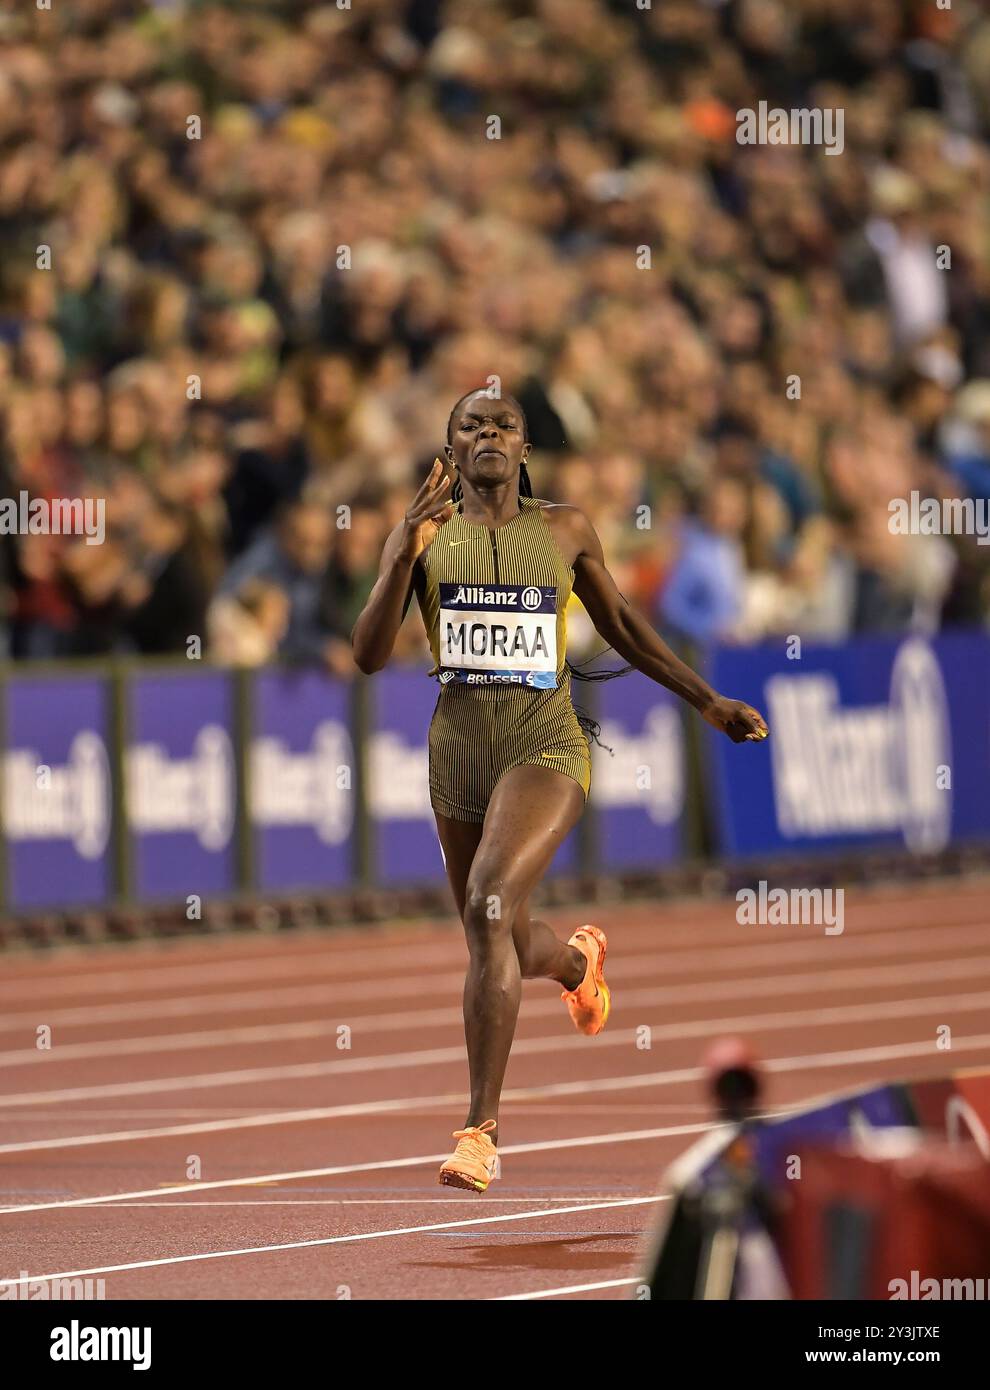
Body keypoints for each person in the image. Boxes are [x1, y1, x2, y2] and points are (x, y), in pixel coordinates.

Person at [351, 389, 769, 1193]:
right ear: (450, 447)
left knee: (487, 904)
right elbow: (368, 656)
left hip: (544, 743)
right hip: (459, 755)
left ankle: (479, 1132)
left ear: (525, 444)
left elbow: (623, 627)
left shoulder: (566, 529)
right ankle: (577, 962)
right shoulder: (422, 536)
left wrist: (705, 699)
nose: (487, 436)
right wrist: (402, 551)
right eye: (470, 426)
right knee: (494, 936)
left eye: (502, 425)